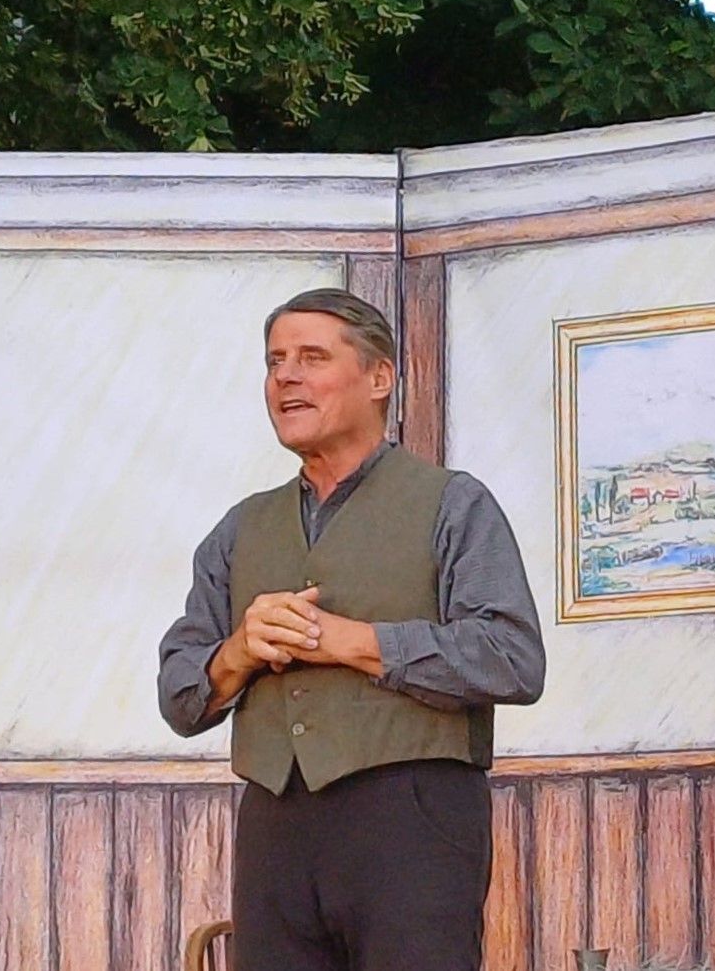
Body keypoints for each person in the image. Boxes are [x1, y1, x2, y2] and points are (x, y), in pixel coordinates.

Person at [157, 287, 546, 971]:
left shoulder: (452, 504)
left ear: (379, 377)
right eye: (275, 361)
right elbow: (179, 697)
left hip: (412, 817)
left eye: (312, 358)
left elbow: (512, 658)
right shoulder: (240, 528)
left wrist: (352, 642)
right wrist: (239, 652)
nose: (286, 377)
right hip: (274, 822)